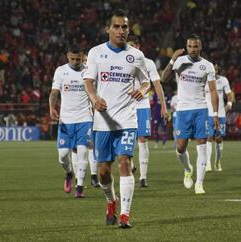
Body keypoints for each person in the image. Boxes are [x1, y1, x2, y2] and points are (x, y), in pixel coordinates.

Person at [83, 9, 150, 229]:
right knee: (103, 171)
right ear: (108, 29)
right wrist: (93, 97)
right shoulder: (96, 53)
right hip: (103, 121)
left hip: (127, 120)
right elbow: (88, 80)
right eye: (117, 26)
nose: (121, 31)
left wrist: (143, 90)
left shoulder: (136, 56)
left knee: (124, 163)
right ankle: (111, 201)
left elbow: (146, 81)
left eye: (125, 27)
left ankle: (125, 215)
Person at [161, 34, 219, 194]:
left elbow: (213, 90)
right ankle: (188, 169)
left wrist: (215, 113)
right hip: (183, 110)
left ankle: (199, 184)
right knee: (180, 147)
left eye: (196, 46)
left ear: (200, 47)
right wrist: (172, 59)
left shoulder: (207, 66)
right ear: (186, 47)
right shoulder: (180, 62)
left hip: (200, 109)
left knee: (202, 143)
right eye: (190, 47)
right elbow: (163, 79)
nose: (193, 49)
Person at [49, 45, 92, 198]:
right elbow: (54, 92)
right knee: (63, 155)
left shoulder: (89, 71)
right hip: (66, 119)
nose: (75, 62)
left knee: (82, 152)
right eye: (72, 59)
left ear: (82, 57)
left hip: (84, 118)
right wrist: (52, 108)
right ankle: (69, 173)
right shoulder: (61, 71)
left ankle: (80, 186)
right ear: (68, 56)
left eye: (78, 59)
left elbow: (95, 92)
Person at [127, 35, 168, 187]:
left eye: (132, 44)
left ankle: (143, 177)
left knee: (142, 140)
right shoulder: (121, 60)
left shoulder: (148, 63)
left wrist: (163, 105)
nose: (130, 47)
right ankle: (131, 166)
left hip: (142, 106)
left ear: (138, 45)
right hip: (125, 106)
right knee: (127, 140)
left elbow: (157, 85)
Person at [71, 52, 99, 188]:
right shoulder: (71, 74)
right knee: (75, 148)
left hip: (90, 115)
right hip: (74, 116)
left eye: (87, 60)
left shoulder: (93, 75)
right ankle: (78, 177)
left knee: (91, 145)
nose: (85, 62)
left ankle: (94, 175)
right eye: (84, 60)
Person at [205, 64, 234, 172]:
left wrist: (229, 103)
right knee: (209, 137)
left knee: (219, 139)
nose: (214, 71)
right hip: (208, 113)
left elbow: (229, 94)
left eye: (216, 69)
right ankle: (207, 162)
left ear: (218, 70)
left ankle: (217, 161)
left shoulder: (223, 80)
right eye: (213, 69)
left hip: (221, 113)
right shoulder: (205, 81)